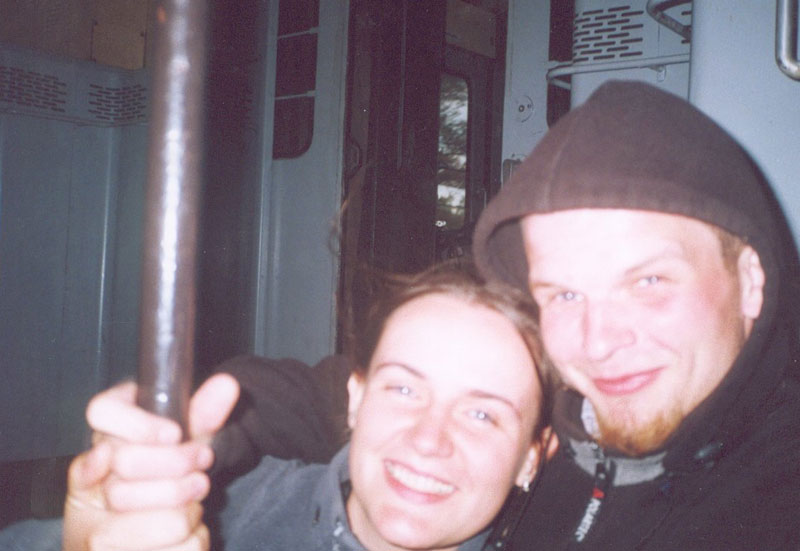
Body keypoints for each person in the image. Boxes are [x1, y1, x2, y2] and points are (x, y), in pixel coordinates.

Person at [208, 80, 800, 549]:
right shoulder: (570, 400)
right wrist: (186, 437)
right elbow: (332, 395)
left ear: (750, 280)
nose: (597, 343)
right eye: (563, 295)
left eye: (649, 282)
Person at [0, 262, 555, 551]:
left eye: (482, 414)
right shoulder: (219, 516)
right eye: (404, 390)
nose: (429, 439)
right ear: (355, 399)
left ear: (533, 456)